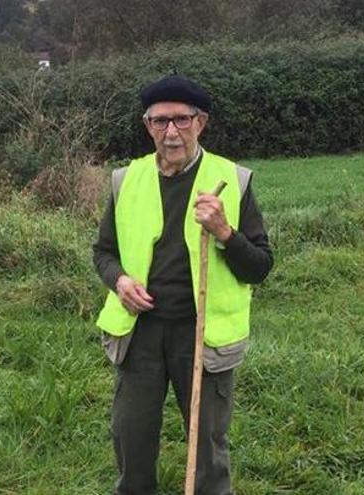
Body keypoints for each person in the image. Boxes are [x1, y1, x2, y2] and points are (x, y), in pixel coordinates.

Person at [93, 75, 273, 495]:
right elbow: (103, 252)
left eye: (181, 119)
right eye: (160, 122)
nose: (170, 132)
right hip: (140, 334)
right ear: (147, 125)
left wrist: (226, 232)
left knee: (206, 450)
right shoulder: (126, 180)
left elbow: (260, 266)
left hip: (203, 336)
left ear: (201, 122)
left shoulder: (233, 180)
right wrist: (118, 280)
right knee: (131, 439)